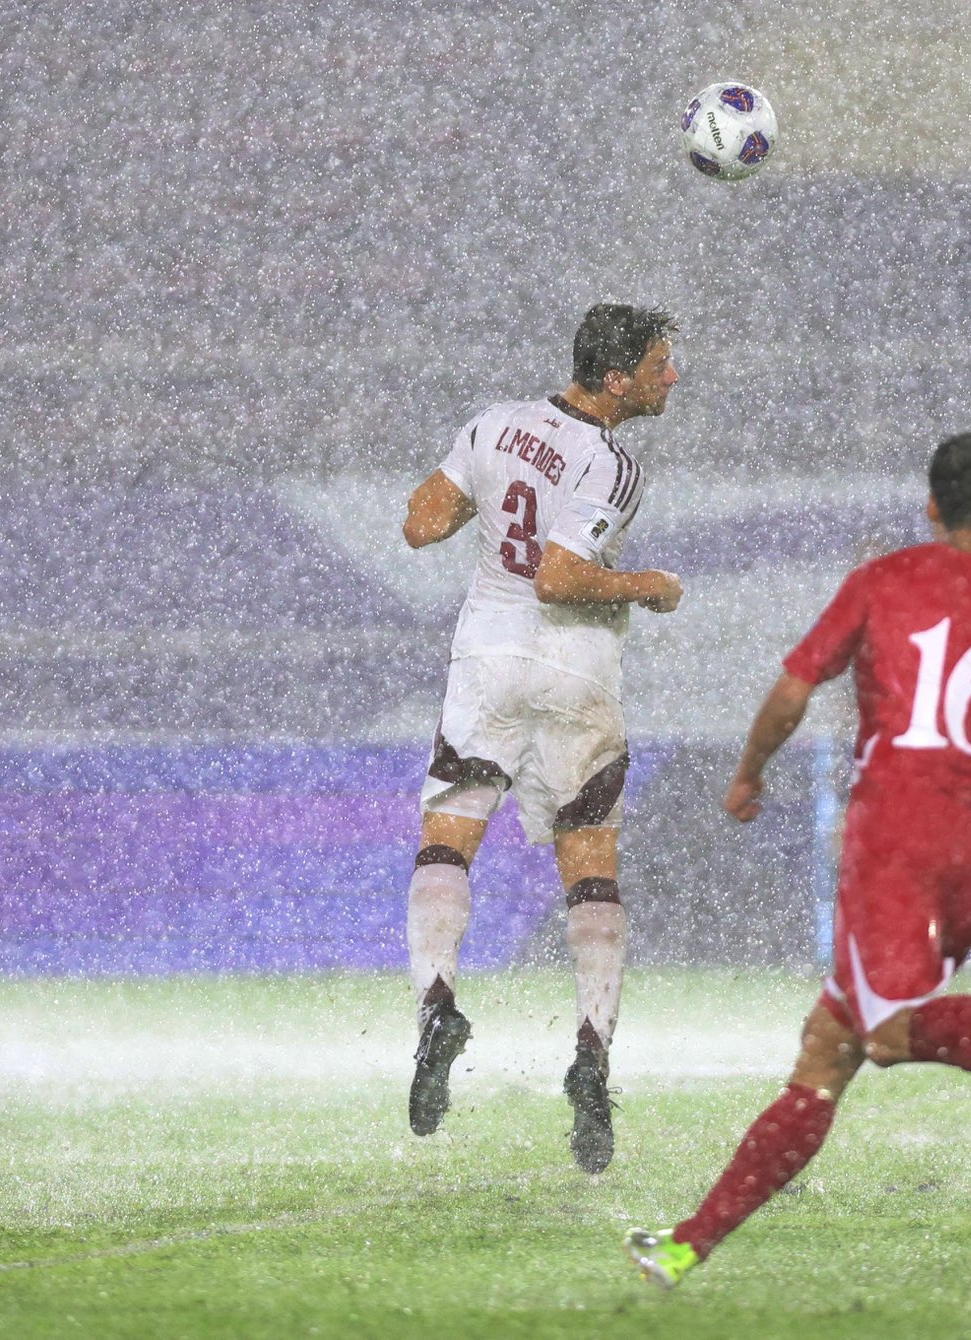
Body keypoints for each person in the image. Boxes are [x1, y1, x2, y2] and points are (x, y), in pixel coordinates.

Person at [625, 433, 971, 1289]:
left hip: (892, 845)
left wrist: (747, 772)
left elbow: (793, 691)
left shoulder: (883, 583)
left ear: (931, 506)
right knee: (827, 1051)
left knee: (882, 1030)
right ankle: (688, 1243)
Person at [398, 303, 685, 1174]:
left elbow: (420, 524)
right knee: (590, 867)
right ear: (615, 379)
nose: (673, 378)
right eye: (661, 365)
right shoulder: (611, 461)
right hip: (575, 671)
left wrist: (480, 485)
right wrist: (649, 583)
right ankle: (593, 1056)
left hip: (488, 658)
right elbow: (562, 578)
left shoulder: (491, 422)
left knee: (447, 844)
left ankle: (438, 1008)